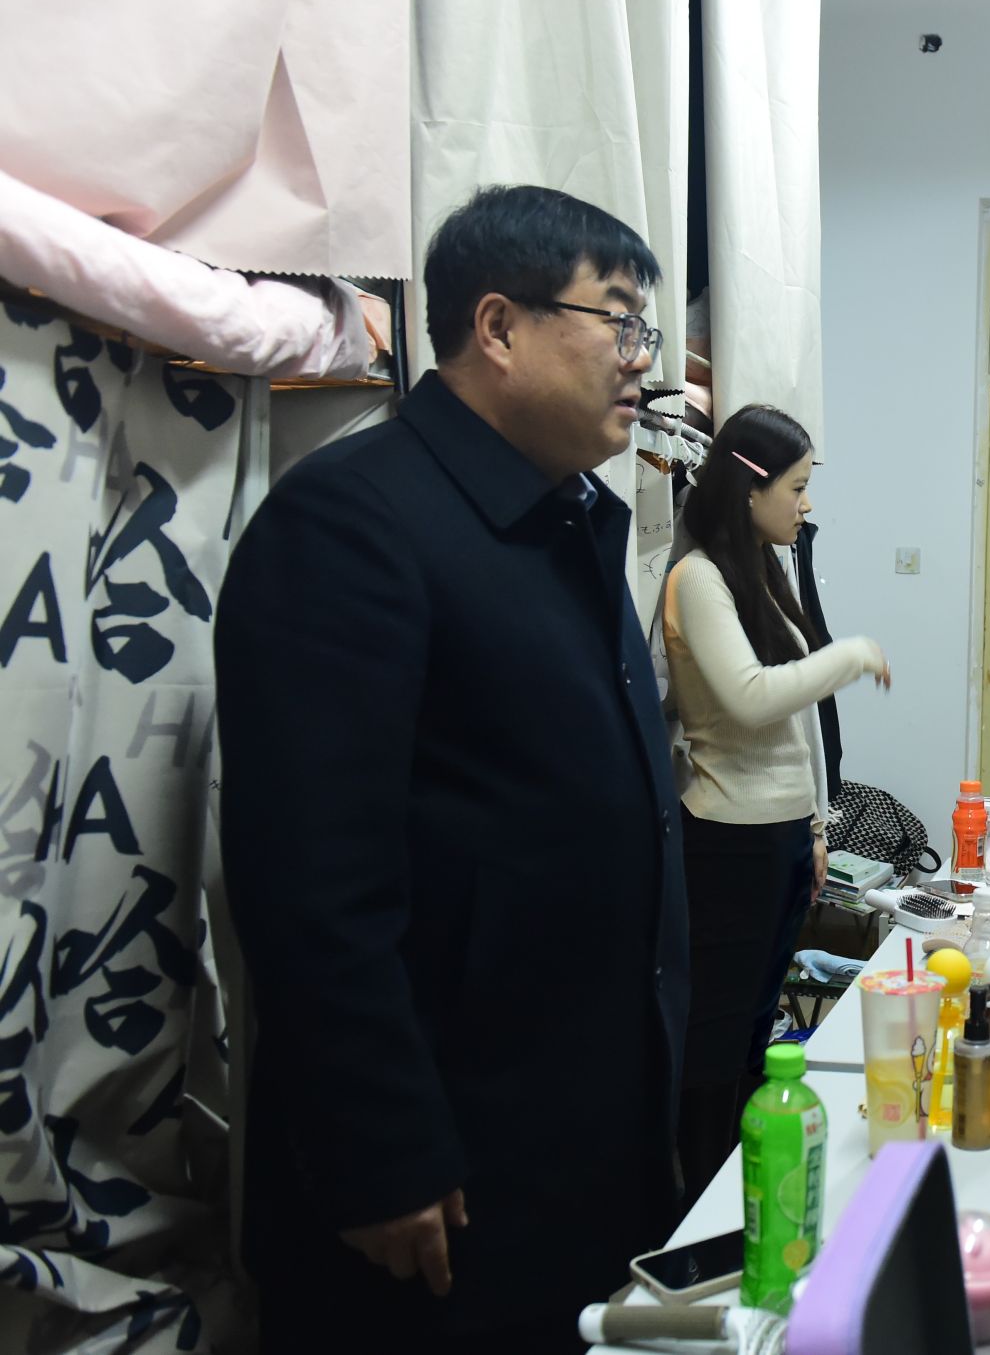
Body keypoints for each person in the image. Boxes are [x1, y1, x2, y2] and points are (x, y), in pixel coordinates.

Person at [215, 185, 689, 1353]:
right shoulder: (352, 521)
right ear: (498, 326)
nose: (643, 360)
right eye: (618, 321)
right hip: (440, 1171)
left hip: (569, 1135)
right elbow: (312, 883)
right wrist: (379, 1149)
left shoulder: (564, 518)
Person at [661, 406, 890, 1202]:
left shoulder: (759, 567)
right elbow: (754, 698)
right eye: (796, 487)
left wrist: (817, 826)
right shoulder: (697, 579)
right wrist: (849, 655)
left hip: (781, 837)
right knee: (718, 1042)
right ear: (749, 487)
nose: (806, 503)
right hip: (728, 840)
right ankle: (702, 1202)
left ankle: (748, 1187)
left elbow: (795, 726)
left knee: (758, 1029)